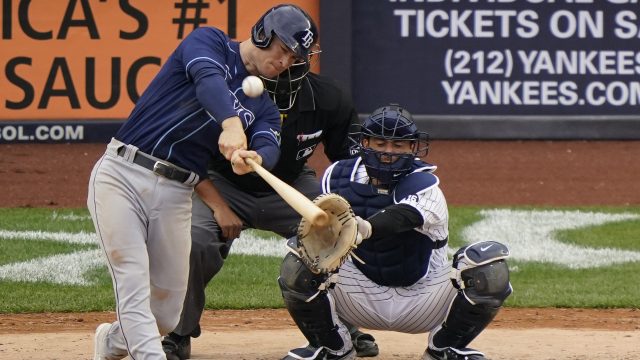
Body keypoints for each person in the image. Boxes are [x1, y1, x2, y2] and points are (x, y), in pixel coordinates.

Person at [88, 4, 318, 360]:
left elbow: (269, 143)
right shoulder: (209, 42)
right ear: (262, 33)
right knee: (133, 281)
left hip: (177, 193)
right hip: (123, 175)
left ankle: (112, 342)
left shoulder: (265, 108)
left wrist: (255, 159)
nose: (285, 61)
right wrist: (230, 123)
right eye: (283, 49)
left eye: (293, 56)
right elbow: (208, 81)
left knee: (165, 314)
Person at [161, 32, 379, 360]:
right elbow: (185, 158)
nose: (283, 67)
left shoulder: (329, 98)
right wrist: (219, 208)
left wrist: (350, 204)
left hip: (291, 184)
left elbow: (348, 164)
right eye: (281, 56)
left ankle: (341, 325)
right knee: (196, 240)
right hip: (222, 184)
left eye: (294, 60)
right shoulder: (223, 92)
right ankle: (178, 332)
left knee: (338, 233)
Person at [278, 104, 513, 360]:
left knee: (488, 266)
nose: (388, 152)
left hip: (424, 299)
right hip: (359, 293)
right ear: (365, 142)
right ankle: (333, 347)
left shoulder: (426, 186)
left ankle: (445, 348)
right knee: (299, 256)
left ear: (413, 148)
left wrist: (363, 227)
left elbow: (404, 216)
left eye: (398, 145)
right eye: (380, 143)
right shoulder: (337, 177)